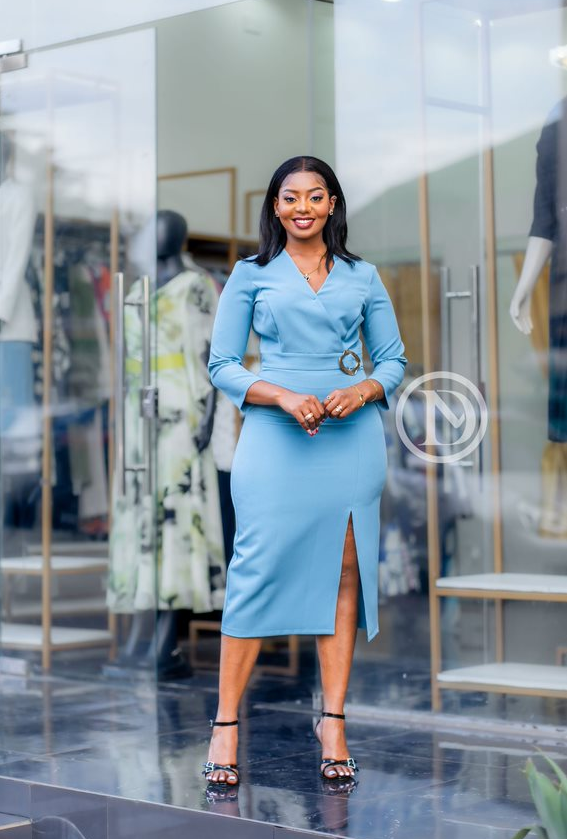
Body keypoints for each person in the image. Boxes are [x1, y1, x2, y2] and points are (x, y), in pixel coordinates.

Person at [205, 156, 407, 785]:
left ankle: (335, 721)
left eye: (315, 197)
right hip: (273, 436)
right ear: (275, 207)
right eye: (290, 197)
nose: (302, 207)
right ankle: (225, 725)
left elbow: (394, 360)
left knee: (344, 572)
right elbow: (222, 365)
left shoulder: (363, 276)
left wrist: (366, 390)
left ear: (332, 205)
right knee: (254, 567)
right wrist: (282, 395)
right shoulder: (250, 275)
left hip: (349, 440)